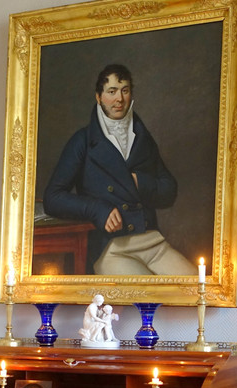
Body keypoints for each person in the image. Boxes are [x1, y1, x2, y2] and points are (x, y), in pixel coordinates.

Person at [43, 64, 196, 276]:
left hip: (153, 242)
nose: (119, 99)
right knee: (149, 297)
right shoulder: (83, 141)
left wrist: (139, 183)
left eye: (125, 90)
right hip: (111, 248)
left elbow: (169, 190)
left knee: (193, 288)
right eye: (112, 91)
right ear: (99, 97)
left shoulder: (142, 137)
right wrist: (98, 209)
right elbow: (53, 197)